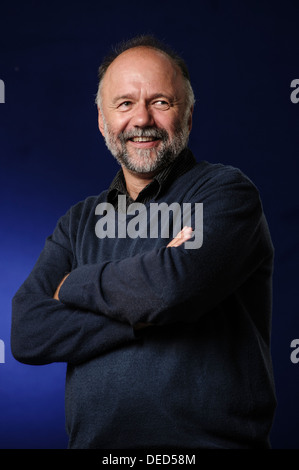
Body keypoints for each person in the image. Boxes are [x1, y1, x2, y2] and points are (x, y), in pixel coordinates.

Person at [11, 35, 277, 449]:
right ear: (103, 121)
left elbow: (170, 289)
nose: (142, 120)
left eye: (160, 102)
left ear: (187, 118)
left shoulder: (226, 194)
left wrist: (75, 284)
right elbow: (28, 332)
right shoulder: (79, 222)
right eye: (124, 104)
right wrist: (145, 308)